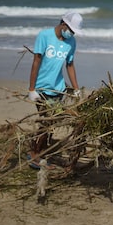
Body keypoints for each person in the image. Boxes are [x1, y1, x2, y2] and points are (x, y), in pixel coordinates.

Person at [27, 11, 83, 167]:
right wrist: (32, 89)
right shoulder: (44, 36)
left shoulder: (71, 42)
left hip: (58, 89)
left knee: (53, 122)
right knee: (46, 121)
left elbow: (70, 65)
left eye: (74, 32)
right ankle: (34, 154)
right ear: (64, 24)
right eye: (71, 30)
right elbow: (36, 62)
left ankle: (43, 151)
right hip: (42, 88)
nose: (71, 34)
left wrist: (76, 88)